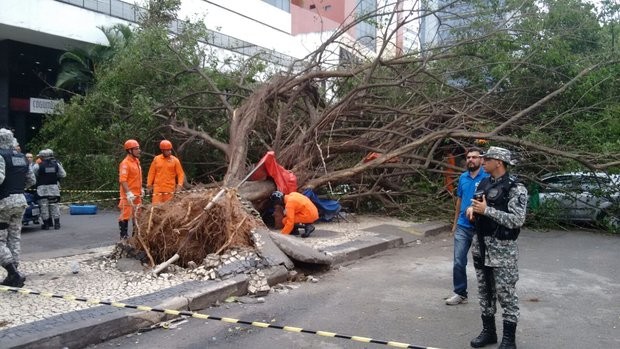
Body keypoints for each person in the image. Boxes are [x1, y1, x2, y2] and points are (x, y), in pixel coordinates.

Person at [466, 146, 527, 349]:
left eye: (487, 159)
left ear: (498, 162)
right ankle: (488, 332)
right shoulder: (484, 182)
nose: (483, 162)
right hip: (481, 246)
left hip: (502, 250)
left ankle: (509, 339)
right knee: (485, 291)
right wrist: (472, 209)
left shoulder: (516, 188)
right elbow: (477, 205)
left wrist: (487, 210)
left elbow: (517, 220)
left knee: (506, 293)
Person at [446, 147, 488, 305]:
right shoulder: (463, 177)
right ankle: (460, 292)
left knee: (483, 263)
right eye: (469, 157)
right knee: (458, 261)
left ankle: (487, 293)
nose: (471, 159)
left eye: (474, 157)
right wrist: (455, 222)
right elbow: (459, 200)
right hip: (463, 226)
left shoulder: (488, 178)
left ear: (482, 160)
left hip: (480, 226)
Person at [0, 128, 36, 287]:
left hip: (3, 202)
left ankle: (12, 271)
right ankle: (14, 273)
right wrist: (18, 188)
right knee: (14, 237)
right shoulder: (22, 157)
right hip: (20, 201)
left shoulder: (1, 156)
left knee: (0, 239)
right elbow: (31, 180)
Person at [33, 149, 66, 230]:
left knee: (44, 207)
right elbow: (63, 174)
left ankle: (46, 225)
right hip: (54, 189)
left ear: (42, 156)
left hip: (42, 189)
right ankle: (57, 224)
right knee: (54, 206)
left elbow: (32, 175)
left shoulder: (38, 165)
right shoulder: (56, 164)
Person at [118, 139, 143, 240]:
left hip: (137, 194)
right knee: (125, 215)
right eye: (136, 149)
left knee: (137, 215)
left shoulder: (136, 161)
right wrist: (128, 193)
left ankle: (135, 237)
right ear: (130, 151)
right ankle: (124, 236)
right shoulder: (125, 163)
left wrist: (141, 189)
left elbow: (137, 177)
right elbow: (123, 180)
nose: (139, 150)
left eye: (138, 148)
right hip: (128, 196)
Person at [147, 140, 185, 204]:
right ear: (162, 150)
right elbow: (151, 173)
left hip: (169, 189)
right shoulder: (156, 159)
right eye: (167, 150)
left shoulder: (175, 160)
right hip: (158, 189)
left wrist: (179, 185)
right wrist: (149, 185)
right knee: (156, 207)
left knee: (167, 209)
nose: (169, 152)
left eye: (170, 150)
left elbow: (180, 174)